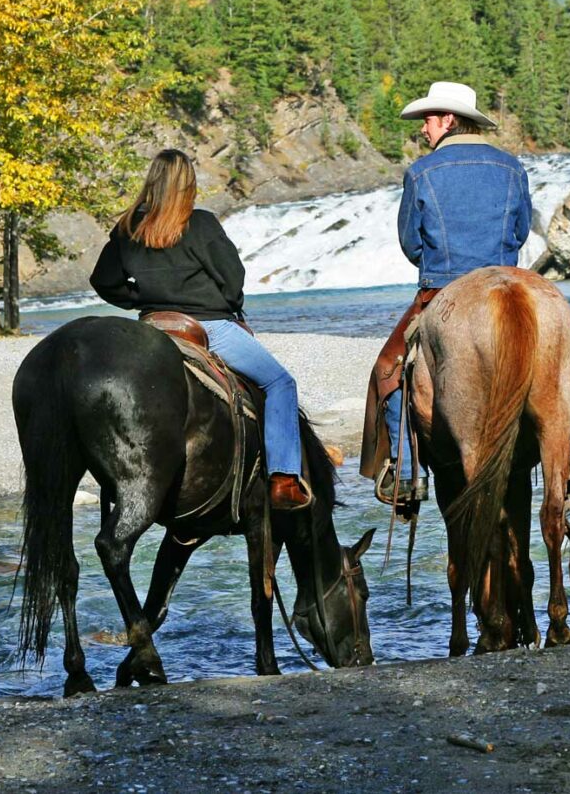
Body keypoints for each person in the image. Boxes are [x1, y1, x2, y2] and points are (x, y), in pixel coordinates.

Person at [90, 149, 311, 511]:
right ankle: (284, 480)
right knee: (279, 383)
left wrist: (138, 298)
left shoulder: (129, 227)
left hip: (153, 328)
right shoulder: (201, 223)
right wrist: (223, 304)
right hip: (207, 327)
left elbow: (103, 280)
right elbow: (232, 279)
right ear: (187, 183)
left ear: (152, 181)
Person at [363, 81, 535, 510]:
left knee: (389, 368)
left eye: (428, 119)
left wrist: (441, 262)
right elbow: (520, 231)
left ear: (449, 121)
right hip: (506, 280)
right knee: (561, 355)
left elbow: (411, 243)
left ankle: (403, 471)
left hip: (444, 287)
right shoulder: (513, 167)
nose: (423, 129)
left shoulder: (421, 172)